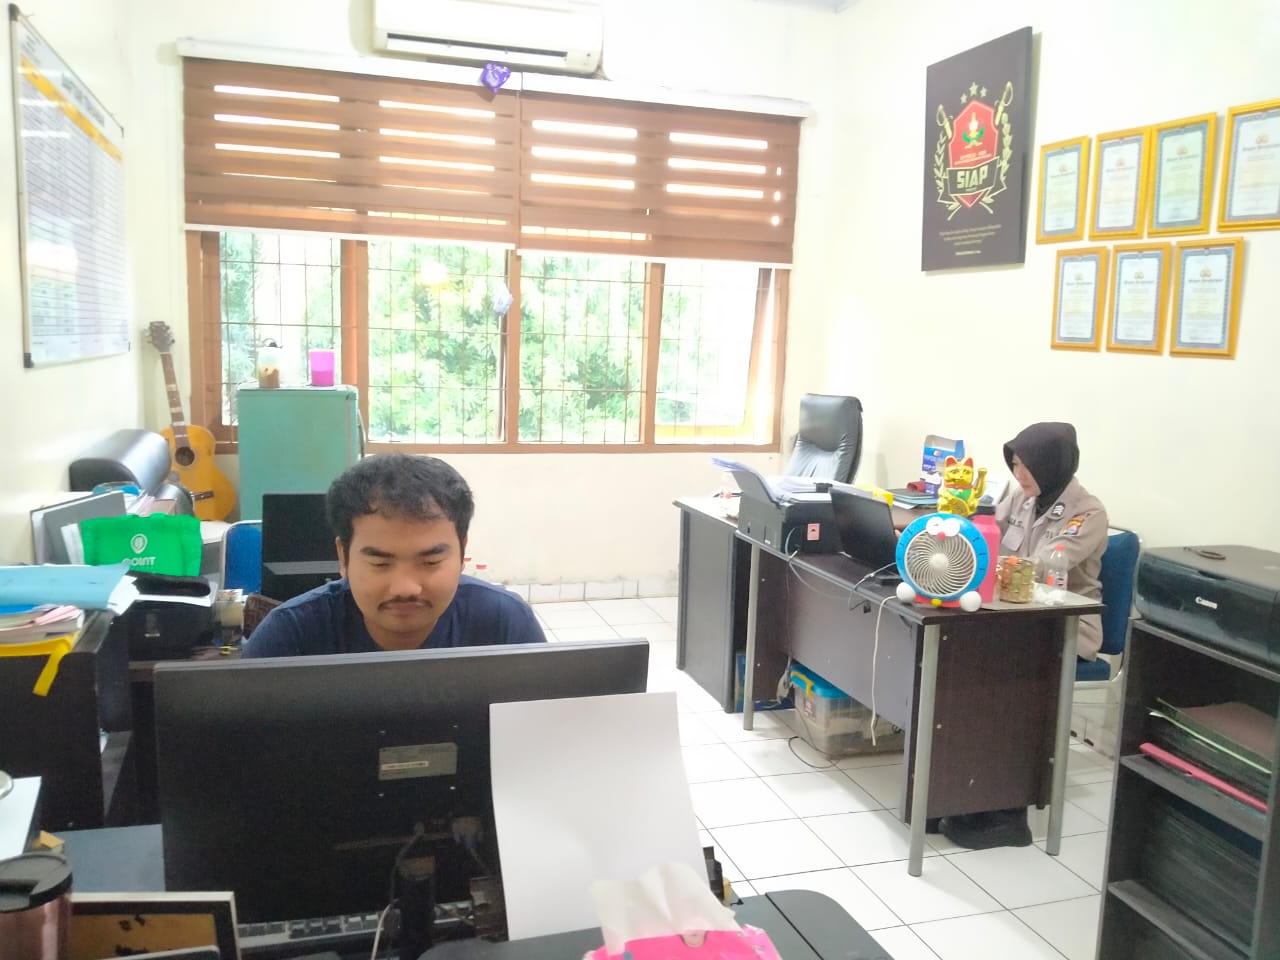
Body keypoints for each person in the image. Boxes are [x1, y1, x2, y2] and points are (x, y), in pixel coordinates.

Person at [938, 421, 1108, 851]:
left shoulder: (1088, 513)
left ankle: (1006, 811)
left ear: (1052, 464)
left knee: (996, 678)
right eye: (1014, 465)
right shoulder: (1021, 497)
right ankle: (958, 790)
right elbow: (984, 536)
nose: (1019, 473)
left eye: (1026, 465)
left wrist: (991, 563)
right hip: (1010, 616)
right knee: (954, 661)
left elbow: (1044, 564)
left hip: (1064, 624)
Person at [243, 453, 546, 657]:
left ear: (462, 552)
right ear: (343, 557)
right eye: (380, 563)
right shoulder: (289, 638)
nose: (405, 588)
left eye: (430, 562)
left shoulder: (506, 626)